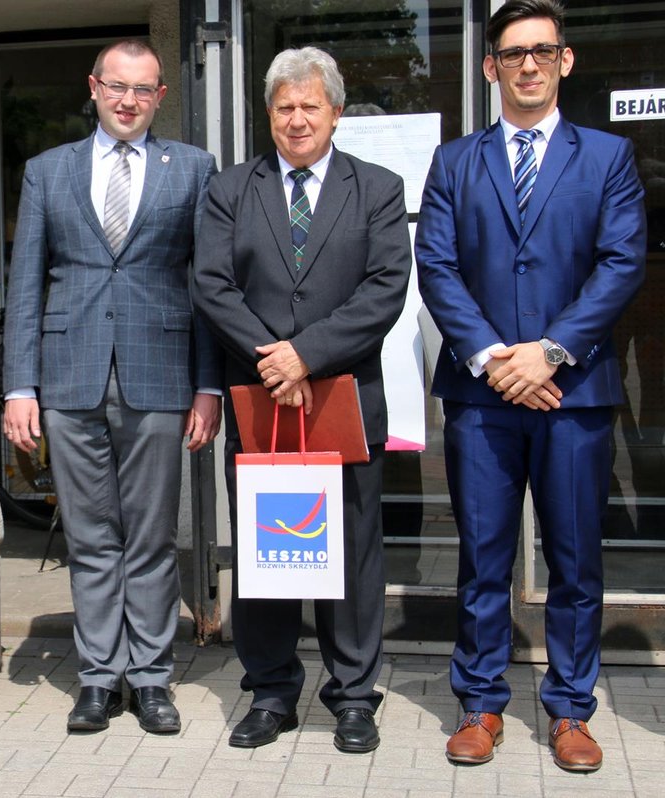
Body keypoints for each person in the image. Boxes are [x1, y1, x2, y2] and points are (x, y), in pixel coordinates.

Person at [414, 0, 646, 773]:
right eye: (513, 53)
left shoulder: (607, 157)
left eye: (542, 50)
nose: (528, 65)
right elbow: (437, 266)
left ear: (565, 60)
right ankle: (481, 703)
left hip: (572, 395)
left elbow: (621, 263)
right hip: (482, 398)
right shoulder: (455, 162)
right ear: (491, 67)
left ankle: (571, 709)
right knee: (482, 558)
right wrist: (494, 359)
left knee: (575, 561)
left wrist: (548, 354)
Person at [192, 46, 410, 754]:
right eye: (284, 107)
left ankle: (353, 696)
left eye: (309, 105)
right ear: (268, 114)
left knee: (351, 553)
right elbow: (211, 285)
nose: (296, 119)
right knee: (268, 550)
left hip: (343, 396)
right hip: (262, 400)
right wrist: (274, 359)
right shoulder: (231, 189)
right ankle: (271, 692)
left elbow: (385, 288)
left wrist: (306, 355)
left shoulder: (377, 188)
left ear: (336, 112)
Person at [2, 40, 222, 735]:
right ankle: (99, 676)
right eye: (117, 87)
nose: (129, 100)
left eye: (143, 89)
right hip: (70, 378)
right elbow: (26, 284)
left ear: (160, 97)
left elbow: (207, 287)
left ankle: (151, 677)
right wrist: (19, 386)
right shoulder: (48, 171)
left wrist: (209, 386)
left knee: (151, 538)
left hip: (161, 376)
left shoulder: (193, 168)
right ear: (94, 87)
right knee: (91, 536)